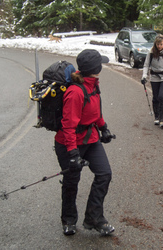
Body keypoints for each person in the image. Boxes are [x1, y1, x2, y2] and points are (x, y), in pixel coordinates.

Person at [54, 49, 115, 236]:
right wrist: (72, 153)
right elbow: (68, 126)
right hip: (69, 143)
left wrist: (104, 128)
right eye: (100, 64)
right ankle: (69, 220)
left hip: (90, 138)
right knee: (72, 181)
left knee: (104, 174)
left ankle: (94, 218)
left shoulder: (94, 85)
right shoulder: (75, 92)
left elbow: (95, 111)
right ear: (95, 69)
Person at [141, 34, 163, 129]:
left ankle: (162, 118)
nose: (159, 46)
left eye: (161, 44)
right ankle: (156, 116)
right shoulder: (151, 52)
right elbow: (146, 65)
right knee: (155, 97)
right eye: (157, 44)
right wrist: (144, 76)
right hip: (154, 77)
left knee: (162, 96)